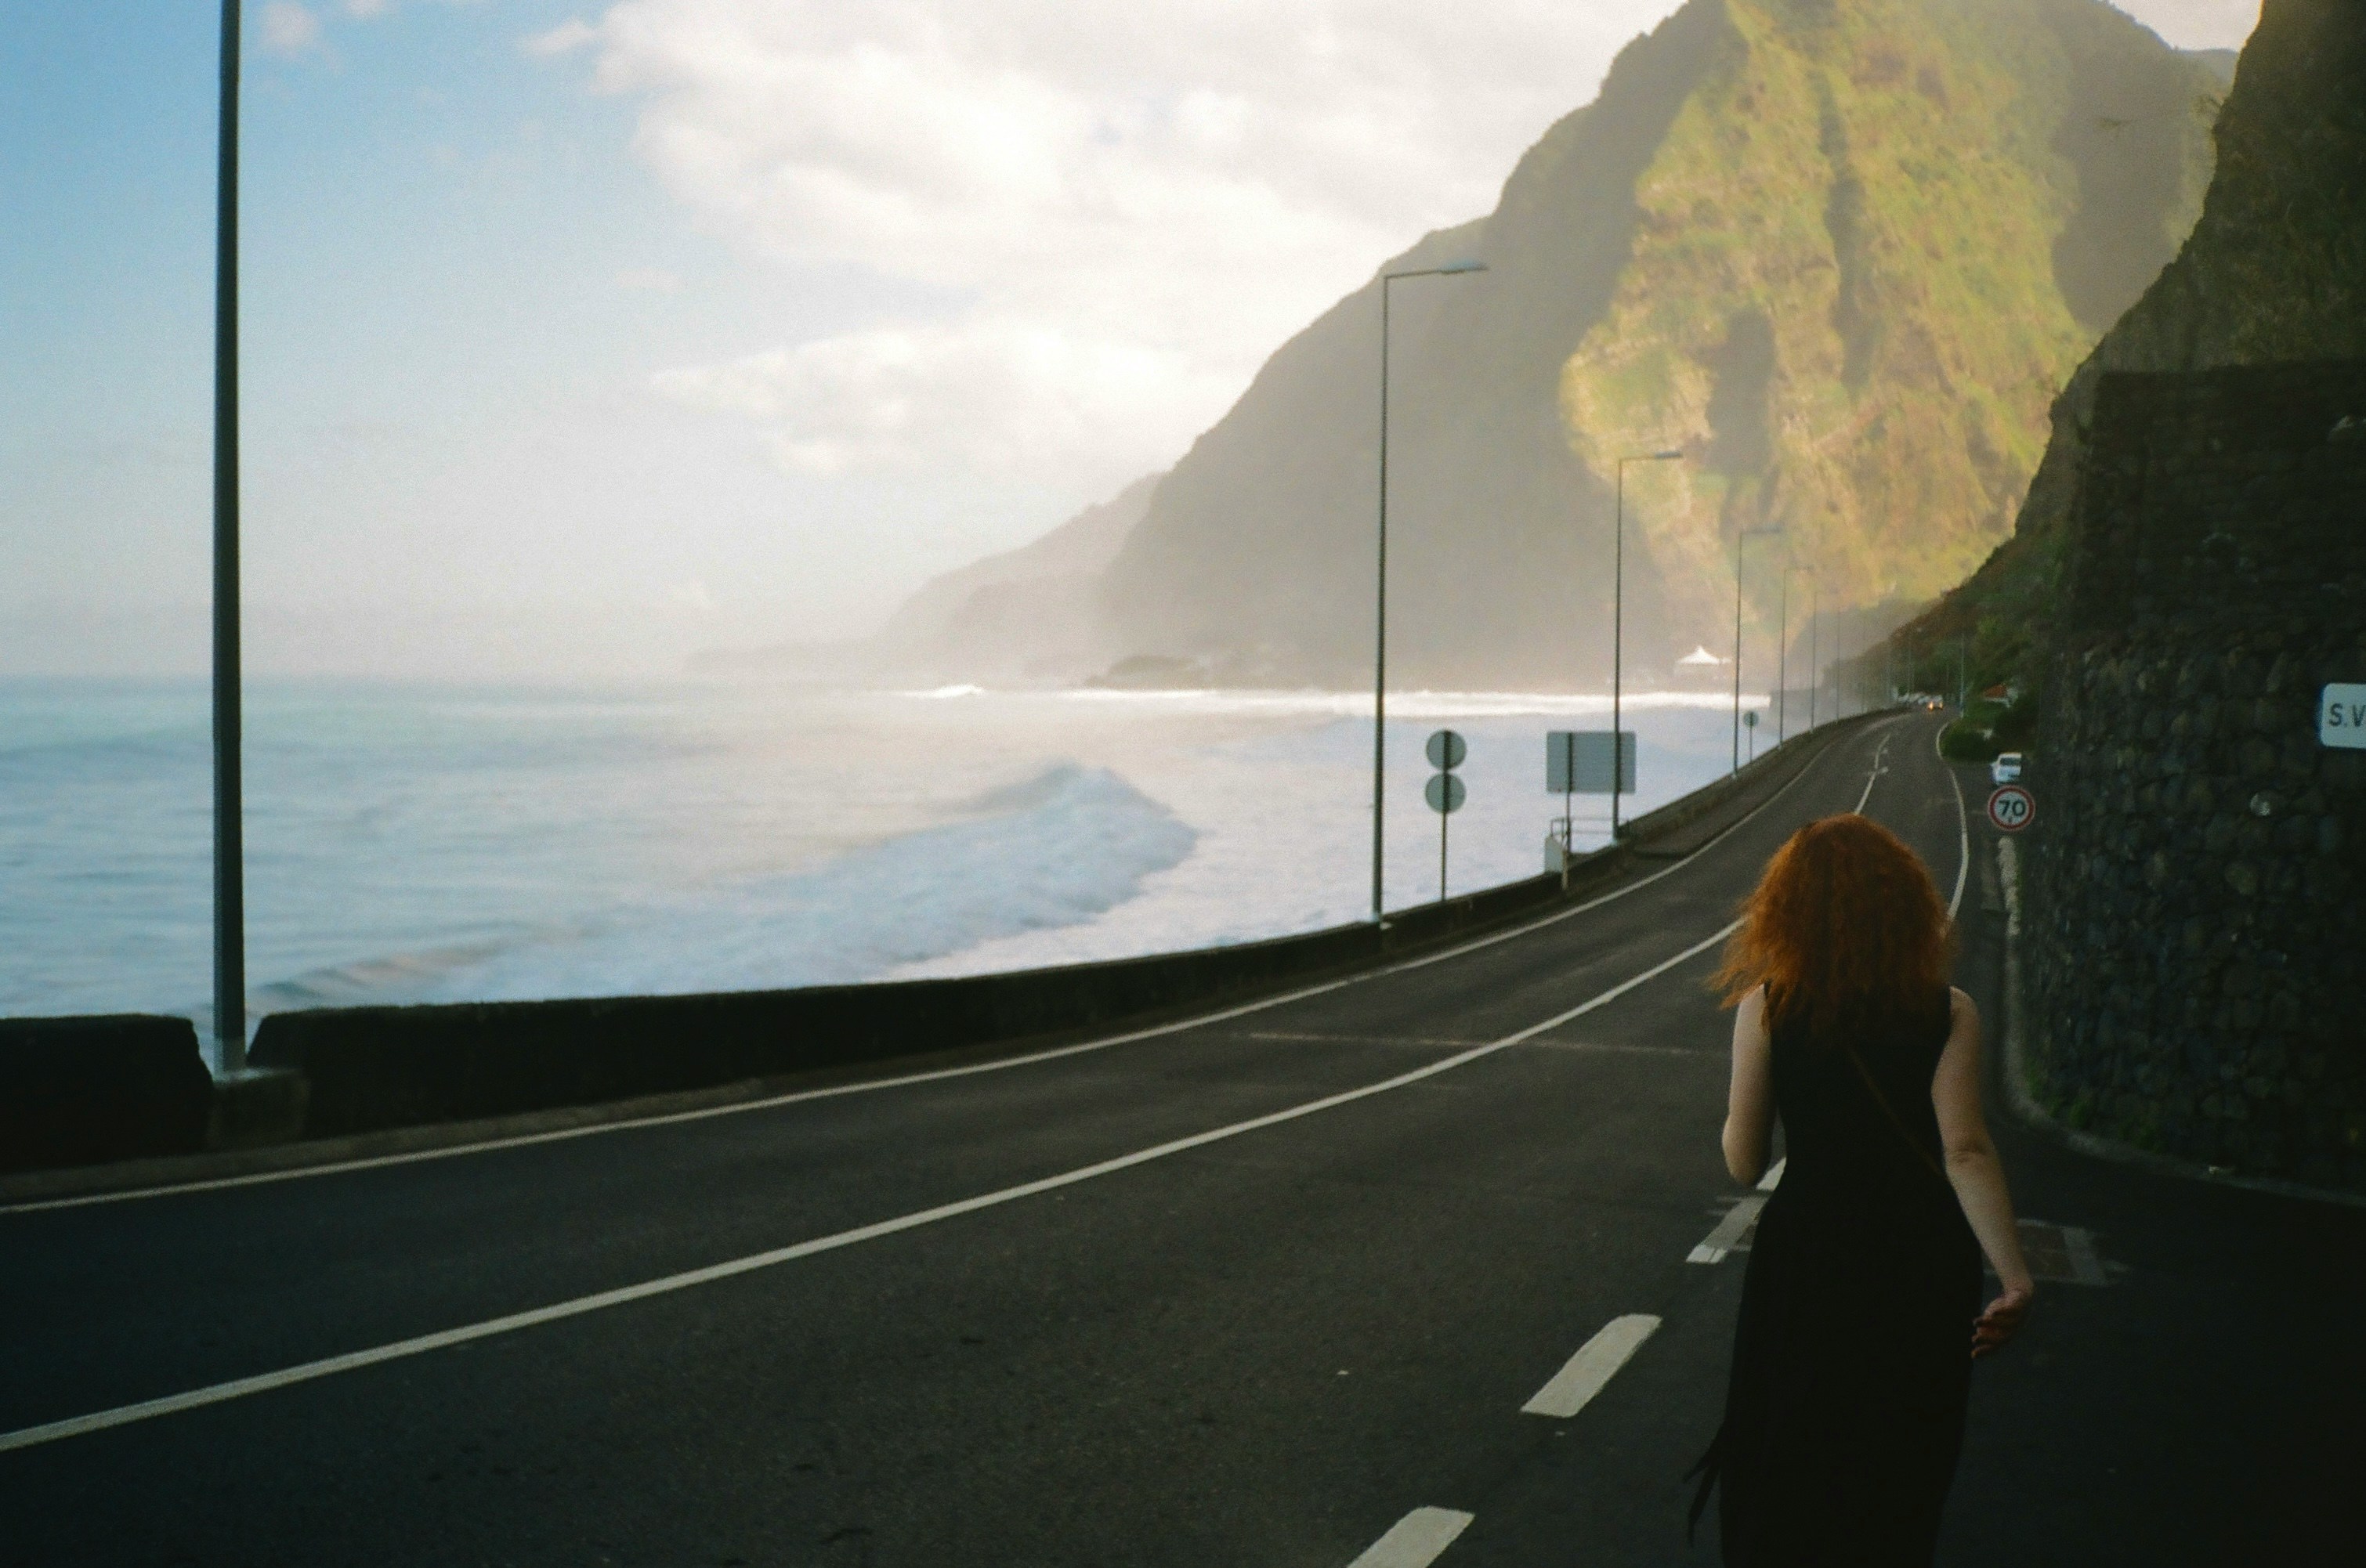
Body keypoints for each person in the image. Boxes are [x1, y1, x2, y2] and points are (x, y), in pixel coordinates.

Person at [1688, 813, 2035, 1564]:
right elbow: (1966, 1152)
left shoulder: (1768, 1008)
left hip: (1807, 1258)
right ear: (1904, 907)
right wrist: (2013, 1278)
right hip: (1920, 1261)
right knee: (1899, 1459)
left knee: (1791, 1450)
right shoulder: (1948, 1012)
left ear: (1787, 911)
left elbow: (1744, 1162)